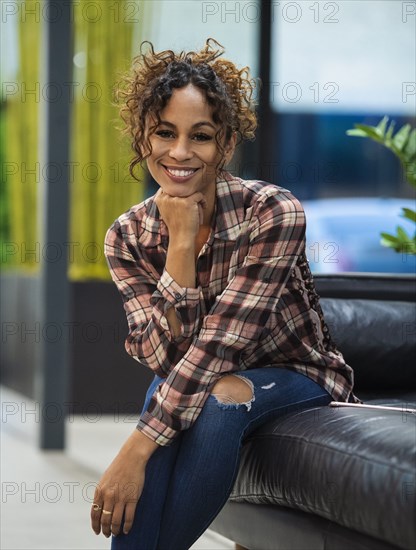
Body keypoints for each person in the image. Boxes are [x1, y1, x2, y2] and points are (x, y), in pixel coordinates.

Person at [90, 39, 358, 550]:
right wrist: (181, 249)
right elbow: (164, 358)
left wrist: (137, 446)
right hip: (200, 380)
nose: (181, 152)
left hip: (298, 375)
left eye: (202, 136)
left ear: (228, 143)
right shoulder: (127, 236)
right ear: (142, 139)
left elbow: (220, 345)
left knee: (217, 392)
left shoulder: (273, 212)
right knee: (190, 393)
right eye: (164, 133)